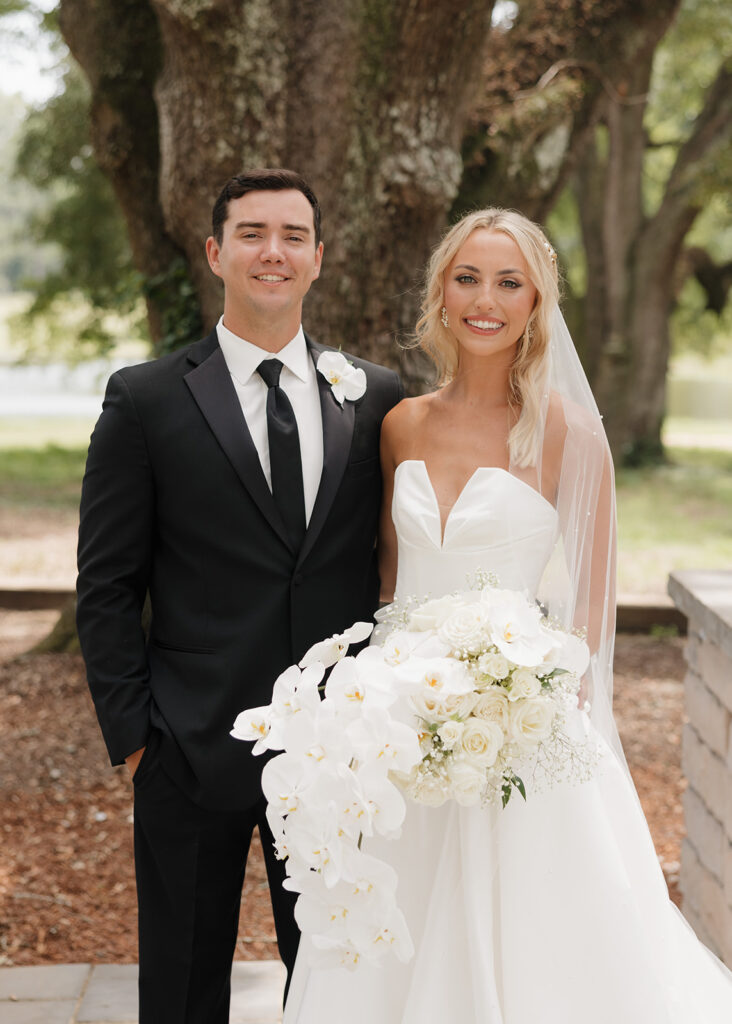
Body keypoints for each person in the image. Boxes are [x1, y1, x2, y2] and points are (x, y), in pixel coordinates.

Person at [283, 208, 732, 1022]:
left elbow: (592, 604)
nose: (485, 299)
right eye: (468, 278)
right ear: (442, 295)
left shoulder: (567, 432)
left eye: (508, 282)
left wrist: (537, 700)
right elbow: (390, 584)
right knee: (395, 928)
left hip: (521, 722)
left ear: (536, 303)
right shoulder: (400, 425)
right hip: (399, 722)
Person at [76, 168, 402, 1024]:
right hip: (188, 745)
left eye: (293, 236)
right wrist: (138, 737)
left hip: (339, 753)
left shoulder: (375, 400)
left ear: (319, 259)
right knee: (181, 990)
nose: (274, 251)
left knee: (339, 984)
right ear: (217, 253)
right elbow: (107, 585)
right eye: (253, 233)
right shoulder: (145, 399)